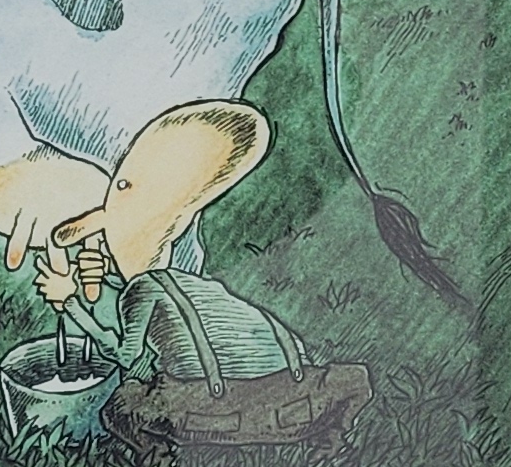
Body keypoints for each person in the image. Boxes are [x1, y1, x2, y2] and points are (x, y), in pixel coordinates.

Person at [29, 102, 369, 446]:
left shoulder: (144, 289)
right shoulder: (196, 286)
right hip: (302, 402)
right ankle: (330, 435)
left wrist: (68, 301)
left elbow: (125, 356)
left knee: (120, 407)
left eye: (123, 185)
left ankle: (156, 459)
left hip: (220, 414)